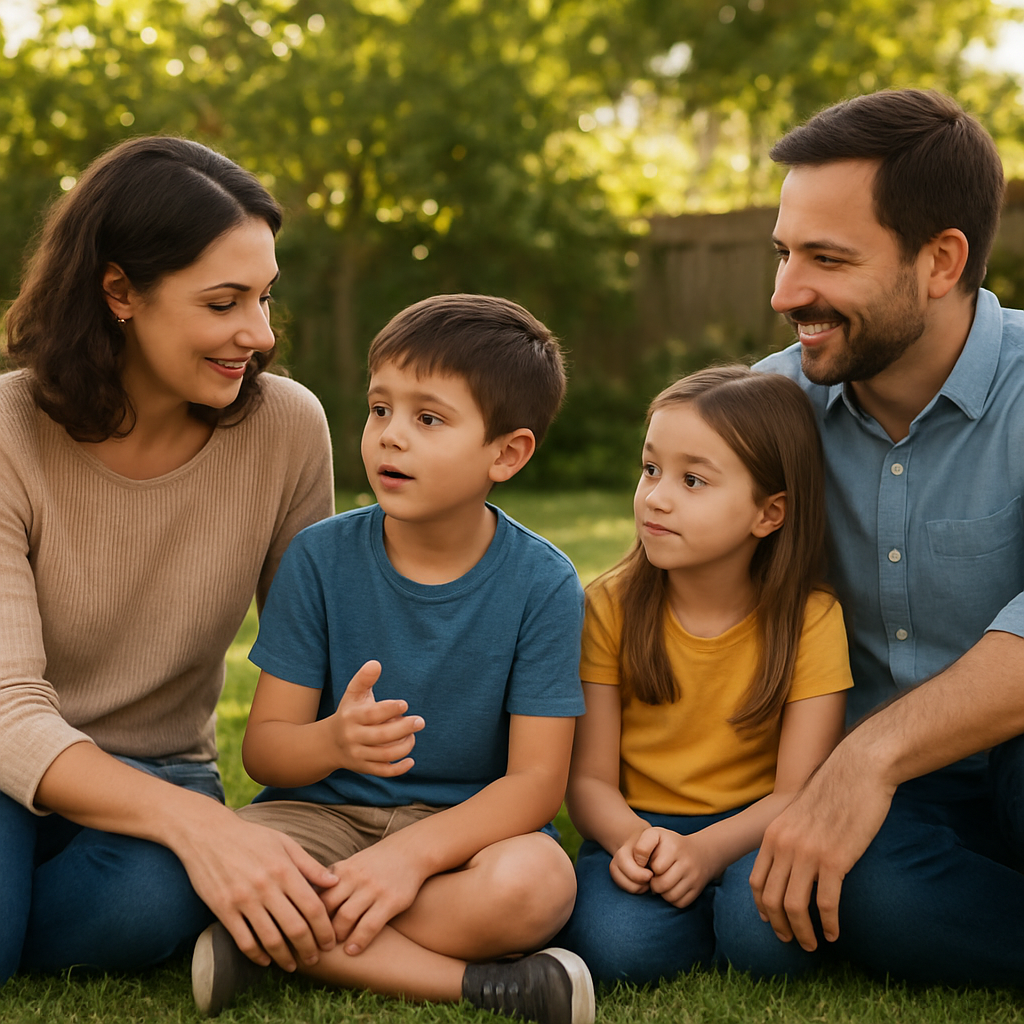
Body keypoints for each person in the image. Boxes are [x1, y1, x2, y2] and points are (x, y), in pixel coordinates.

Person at [190, 294, 596, 1024]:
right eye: (380, 409)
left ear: (506, 453)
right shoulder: (319, 558)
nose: (390, 437)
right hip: (316, 820)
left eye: (428, 418)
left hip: (463, 834)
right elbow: (266, 752)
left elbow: (536, 785)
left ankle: (281, 942)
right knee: (216, 861)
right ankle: (481, 986)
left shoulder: (544, 583)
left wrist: (407, 860)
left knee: (536, 887)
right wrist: (333, 742)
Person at [0, 136, 342, 984]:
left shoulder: (288, 429)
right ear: (119, 291)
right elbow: (8, 711)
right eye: (224, 302)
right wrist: (207, 829)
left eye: (264, 296)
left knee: (152, 899)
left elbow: (322, 665)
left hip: (160, 772)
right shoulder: (9, 432)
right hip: (11, 769)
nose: (259, 334)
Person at [749, 88, 1024, 986]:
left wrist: (870, 754)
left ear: (941, 260)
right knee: (872, 898)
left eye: (827, 259)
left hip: (1003, 754)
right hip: (900, 804)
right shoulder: (770, 406)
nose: (786, 293)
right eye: (785, 253)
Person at [553, 366, 853, 985]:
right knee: (614, 948)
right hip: (642, 828)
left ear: (769, 513)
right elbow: (588, 782)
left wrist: (706, 852)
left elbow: (797, 794)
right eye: (650, 469)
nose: (656, 497)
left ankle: (718, 914)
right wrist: (638, 843)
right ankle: (687, 913)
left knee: (765, 944)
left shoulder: (811, 619)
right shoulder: (607, 607)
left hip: (759, 830)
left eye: (693, 480)